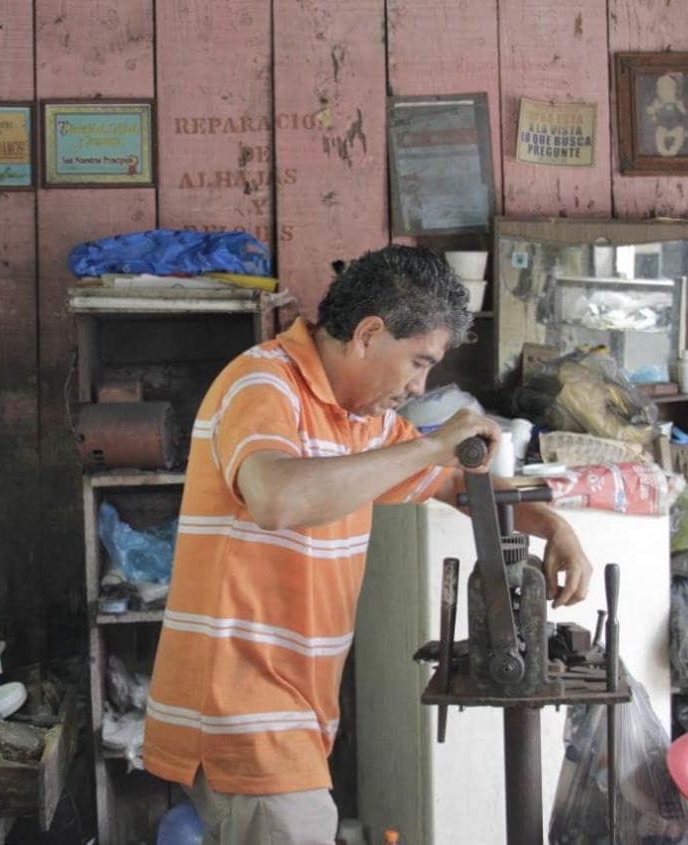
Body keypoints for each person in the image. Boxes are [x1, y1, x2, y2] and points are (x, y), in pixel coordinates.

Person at [144, 245, 593, 844]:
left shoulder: (365, 421)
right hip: (241, 701)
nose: (419, 386)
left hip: (296, 703)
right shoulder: (264, 385)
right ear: (369, 333)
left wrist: (555, 527)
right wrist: (433, 444)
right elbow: (277, 497)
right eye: (418, 362)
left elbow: (457, 482)